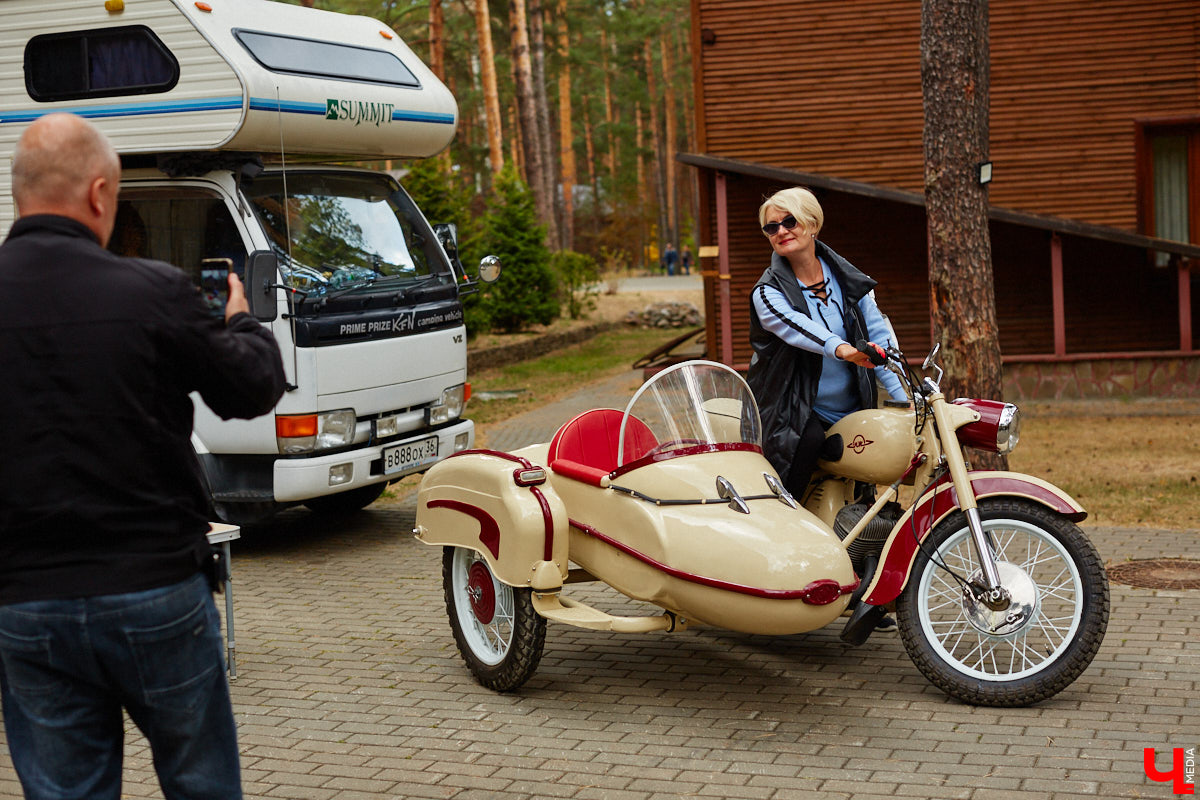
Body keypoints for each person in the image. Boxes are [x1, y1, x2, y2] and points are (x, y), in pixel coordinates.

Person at [0, 113, 286, 799]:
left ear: (20, 194)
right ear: (100, 194)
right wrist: (241, 320)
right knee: (200, 783)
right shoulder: (151, 291)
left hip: (25, 599)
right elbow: (250, 391)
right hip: (155, 591)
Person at [747, 186, 907, 500]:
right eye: (771, 227)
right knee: (800, 450)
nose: (780, 231)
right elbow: (800, 329)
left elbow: (879, 338)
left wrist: (905, 397)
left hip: (852, 409)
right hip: (792, 410)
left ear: (813, 224)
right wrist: (844, 349)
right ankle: (783, 523)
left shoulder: (849, 281)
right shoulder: (766, 292)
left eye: (789, 221)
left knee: (873, 471)